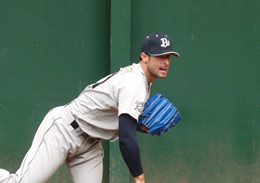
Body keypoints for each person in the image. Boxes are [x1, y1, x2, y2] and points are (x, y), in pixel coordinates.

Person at [0, 32, 180, 183]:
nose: (166, 62)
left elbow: (124, 124)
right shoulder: (134, 83)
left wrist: (139, 126)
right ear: (144, 57)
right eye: (160, 56)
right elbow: (126, 138)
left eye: (168, 57)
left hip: (90, 144)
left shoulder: (141, 81)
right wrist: (138, 175)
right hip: (64, 131)